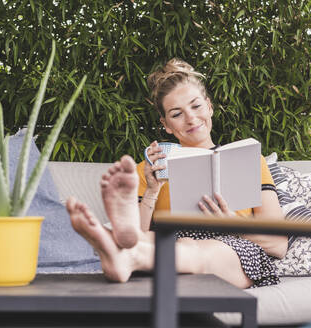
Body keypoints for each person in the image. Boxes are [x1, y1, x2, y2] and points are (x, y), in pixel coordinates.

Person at [66, 58, 288, 288]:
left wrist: (232, 224)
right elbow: (139, 234)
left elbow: (277, 244)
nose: (191, 118)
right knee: (161, 241)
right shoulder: (151, 169)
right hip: (171, 243)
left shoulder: (249, 160)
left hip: (234, 249)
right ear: (166, 125)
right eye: (176, 113)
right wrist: (152, 191)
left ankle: (125, 254)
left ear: (209, 106)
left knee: (196, 249)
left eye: (196, 106)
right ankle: (123, 252)